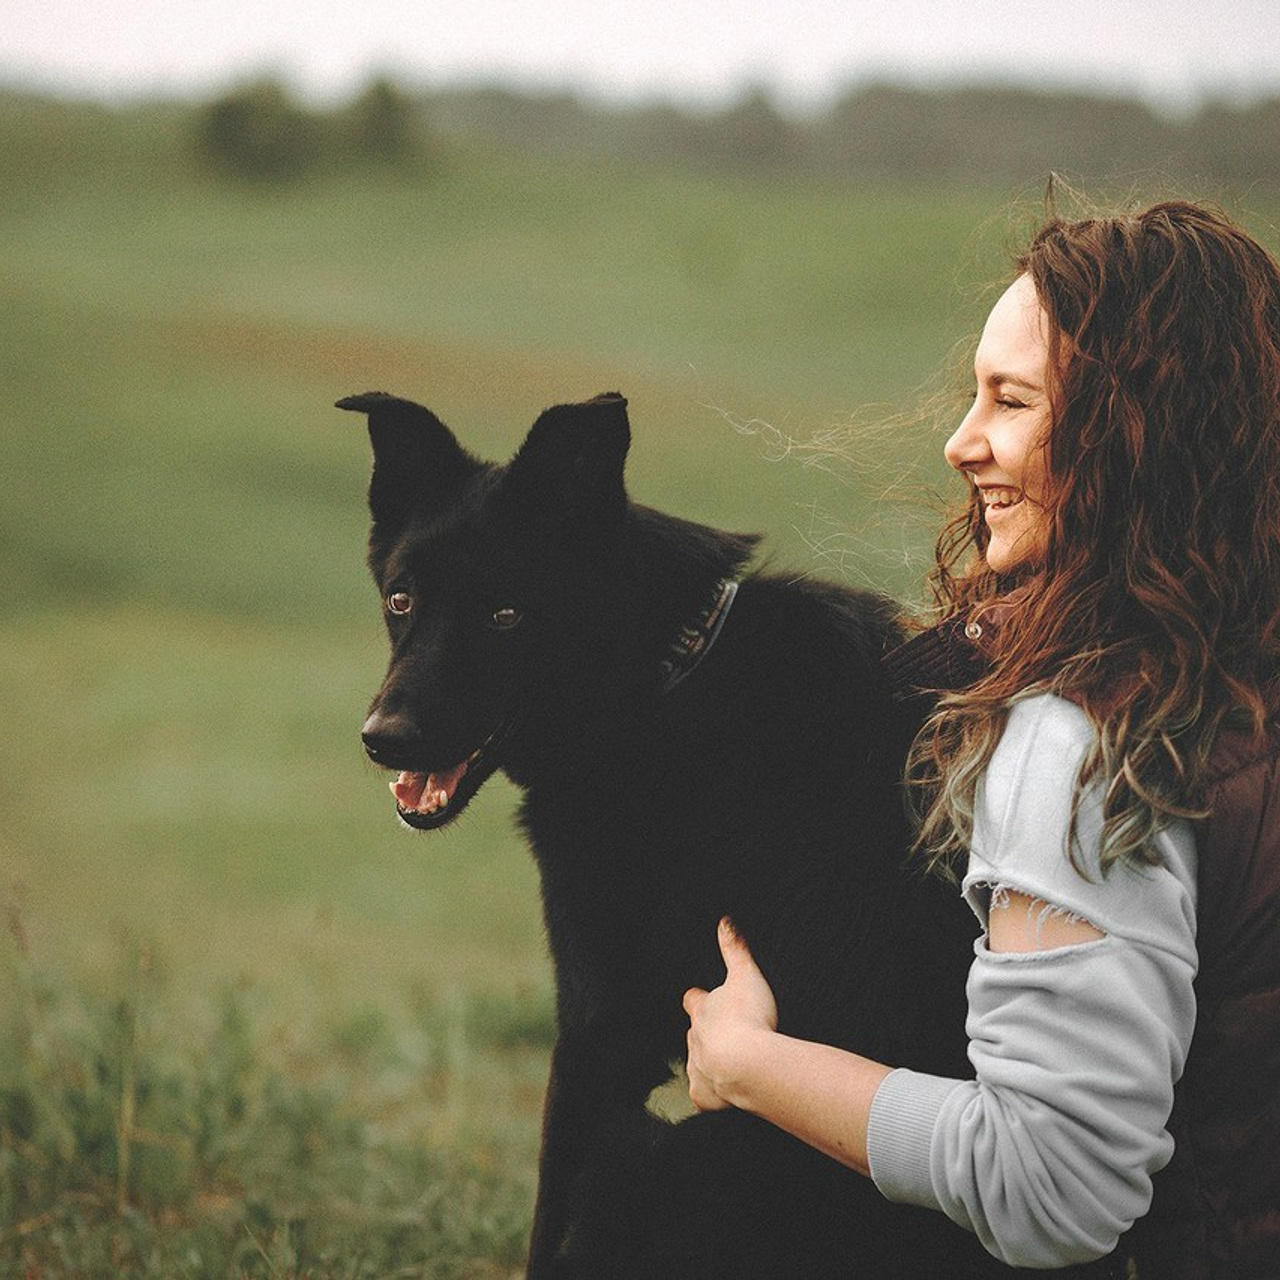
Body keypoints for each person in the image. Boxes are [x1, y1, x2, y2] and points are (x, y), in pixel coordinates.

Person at [682, 200, 1280, 1275]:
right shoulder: (1242, 664)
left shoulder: (1083, 742)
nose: (962, 443)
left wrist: (747, 1061)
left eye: (1009, 399)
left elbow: (1048, 1185)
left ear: (1132, 432)